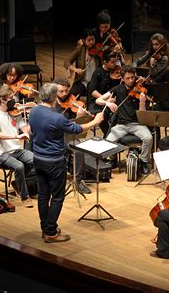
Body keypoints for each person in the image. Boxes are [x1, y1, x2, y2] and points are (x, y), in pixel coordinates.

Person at [29, 83, 103, 243]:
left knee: (43, 195)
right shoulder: (57, 117)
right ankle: (50, 232)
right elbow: (78, 129)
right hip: (54, 162)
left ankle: (46, 228)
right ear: (54, 97)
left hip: (38, 159)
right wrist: (95, 121)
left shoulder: (33, 110)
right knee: (57, 197)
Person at [96, 65, 153, 175]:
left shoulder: (140, 90)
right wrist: (108, 103)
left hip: (137, 124)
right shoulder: (117, 89)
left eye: (132, 77)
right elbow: (98, 100)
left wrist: (142, 102)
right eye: (127, 78)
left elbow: (143, 113)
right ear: (122, 78)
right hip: (121, 124)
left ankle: (144, 161)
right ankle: (113, 159)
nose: (131, 80)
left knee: (148, 138)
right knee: (109, 141)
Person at [0, 85, 34, 207]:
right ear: (2, 100)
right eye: (10, 98)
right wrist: (16, 137)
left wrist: (32, 119)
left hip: (18, 150)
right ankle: (25, 197)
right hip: (3, 154)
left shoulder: (15, 112)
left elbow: (25, 129)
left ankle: (18, 182)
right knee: (19, 167)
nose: (13, 100)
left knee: (38, 161)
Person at [54, 77, 92, 194]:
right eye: (61, 91)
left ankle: (78, 181)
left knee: (79, 150)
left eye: (66, 91)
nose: (65, 94)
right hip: (55, 138)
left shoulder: (72, 102)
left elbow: (76, 127)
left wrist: (80, 117)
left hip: (69, 136)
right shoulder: (51, 105)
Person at [87, 51, 121, 136]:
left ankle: (116, 134)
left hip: (112, 100)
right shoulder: (98, 73)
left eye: (116, 62)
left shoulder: (116, 71)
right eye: (112, 62)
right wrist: (105, 98)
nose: (115, 64)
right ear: (105, 62)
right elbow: (92, 91)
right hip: (96, 101)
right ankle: (109, 135)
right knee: (101, 115)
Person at [63, 29, 101, 98]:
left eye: (93, 39)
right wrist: (75, 69)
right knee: (70, 96)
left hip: (96, 83)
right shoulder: (80, 49)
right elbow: (66, 62)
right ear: (83, 40)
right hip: (82, 81)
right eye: (89, 40)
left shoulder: (99, 49)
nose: (91, 42)